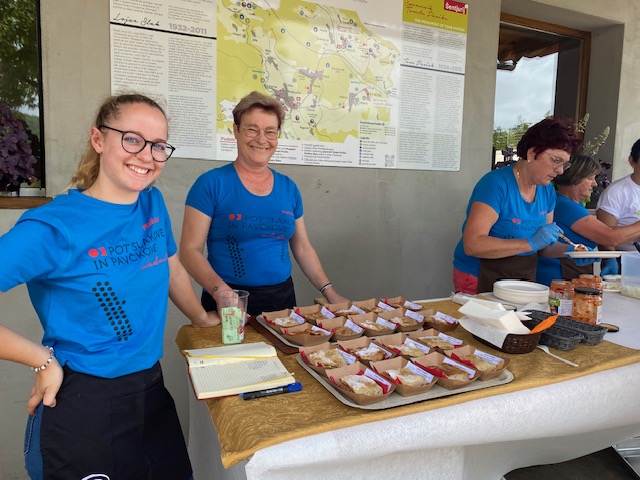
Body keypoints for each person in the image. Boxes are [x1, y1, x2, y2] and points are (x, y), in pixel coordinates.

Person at [0, 93, 219, 479]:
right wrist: (40, 360)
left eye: (158, 145)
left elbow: (171, 267)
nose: (146, 155)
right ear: (98, 140)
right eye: (132, 139)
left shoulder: (151, 203)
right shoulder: (54, 227)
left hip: (149, 390)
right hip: (85, 400)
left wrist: (201, 318)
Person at [181, 91, 348, 317]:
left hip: (282, 300)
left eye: (270, 132)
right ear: (236, 130)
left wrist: (329, 292)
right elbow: (189, 251)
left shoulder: (288, 188)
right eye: (252, 129)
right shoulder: (211, 184)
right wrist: (222, 293)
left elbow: (302, 247)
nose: (261, 139)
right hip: (228, 300)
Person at [452, 117, 595, 294]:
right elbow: (472, 244)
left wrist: (572, 251)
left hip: (521, 279)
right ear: (532, 153)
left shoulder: (547, 190)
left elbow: (545, 247)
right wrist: (529, 243)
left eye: (564, 164)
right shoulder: (495, 185)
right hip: (480, 275)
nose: (560, 170)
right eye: (556, 160)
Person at [536, 154, 640, 285]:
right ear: (575, 178)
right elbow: (610, 237)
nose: (595, 183)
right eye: (590, 178)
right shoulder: (566, 206)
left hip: (570, 274)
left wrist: (609, 258)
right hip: (557, 276)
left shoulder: (574, 205)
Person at [596, 138, 640, 253]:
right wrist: (611, 260)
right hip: (627, 260)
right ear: (632, 161)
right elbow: (604, 239)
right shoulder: (616, 192)